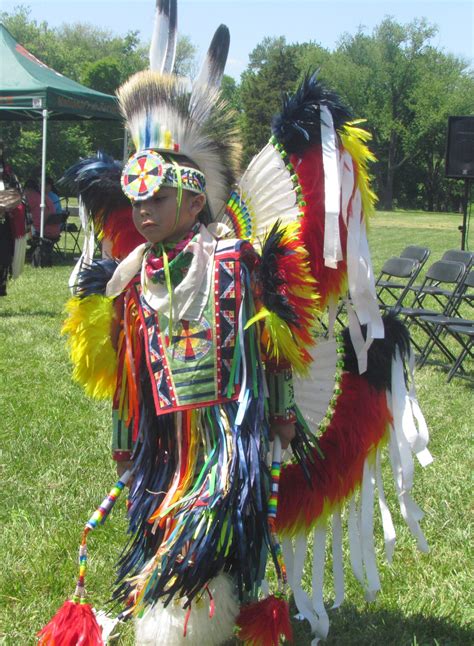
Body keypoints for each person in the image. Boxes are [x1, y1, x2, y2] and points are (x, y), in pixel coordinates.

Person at [40, 2, 432, 645]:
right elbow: (131, 370)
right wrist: (124, 433)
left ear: (195, 199)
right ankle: (185, 607)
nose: (142, 213)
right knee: (165, 527)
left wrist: (279, 414)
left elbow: (266, 349)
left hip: (226, 439)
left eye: (158, 200)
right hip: (165, 442)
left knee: (210, 531)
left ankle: (190, 619)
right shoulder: (133, 278)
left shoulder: (233, 265)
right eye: (136, 201)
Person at [0, 143, 28, 296]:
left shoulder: (8, 174)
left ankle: (1, 284)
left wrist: (10, 203)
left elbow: (20, 195)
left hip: (5, 223)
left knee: (4, 255)